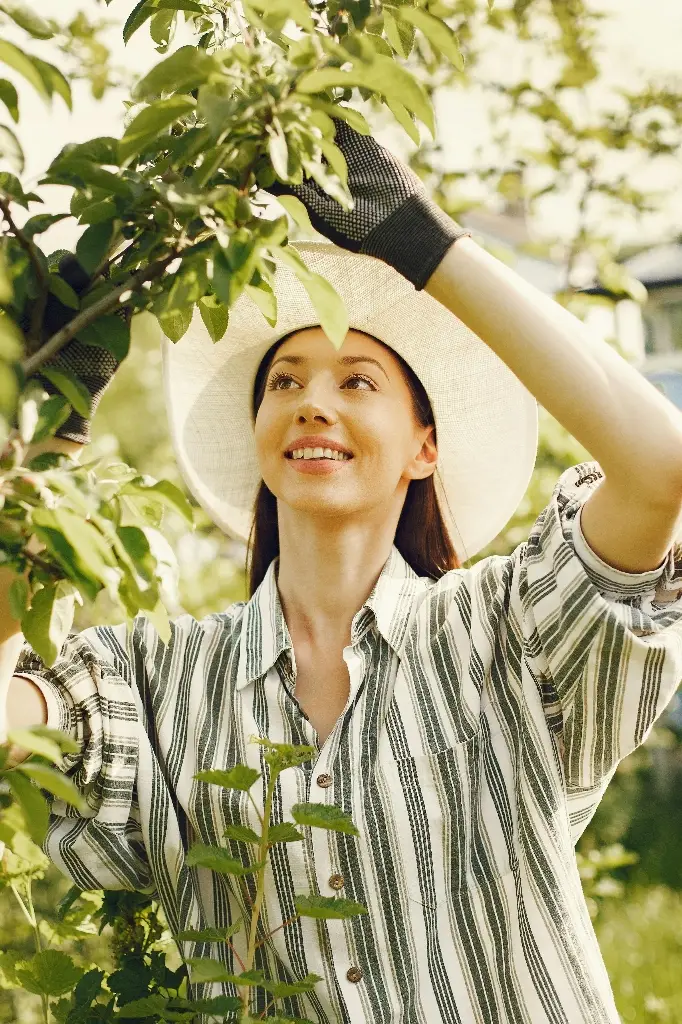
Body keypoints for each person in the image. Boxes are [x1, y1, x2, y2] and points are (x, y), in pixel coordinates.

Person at [2, 120, 682, 1024]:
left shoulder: (506, 629)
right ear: (260, 436)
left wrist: (422, 242)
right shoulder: (156, 682)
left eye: (357, 380)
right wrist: (36, 436)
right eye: (284, 381)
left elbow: (658, 467)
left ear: (425, 446)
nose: (312, 400)